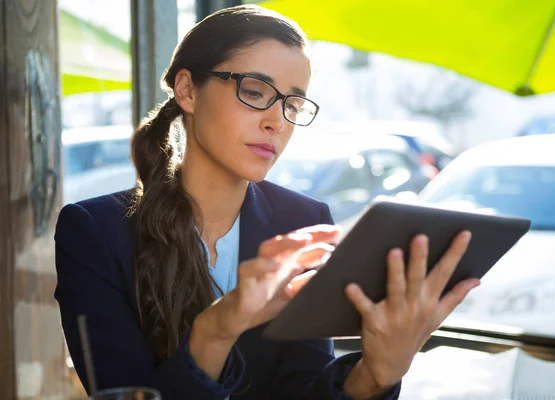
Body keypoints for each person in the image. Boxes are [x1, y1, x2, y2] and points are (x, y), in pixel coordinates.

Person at [54, 5, 479, 399]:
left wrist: (376, 372)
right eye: (255, 91)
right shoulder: (93, 231)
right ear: (187, 89)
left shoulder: (304, 221)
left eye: (292, 103)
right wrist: (216, 331)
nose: (276, 121)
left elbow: (303, 389)